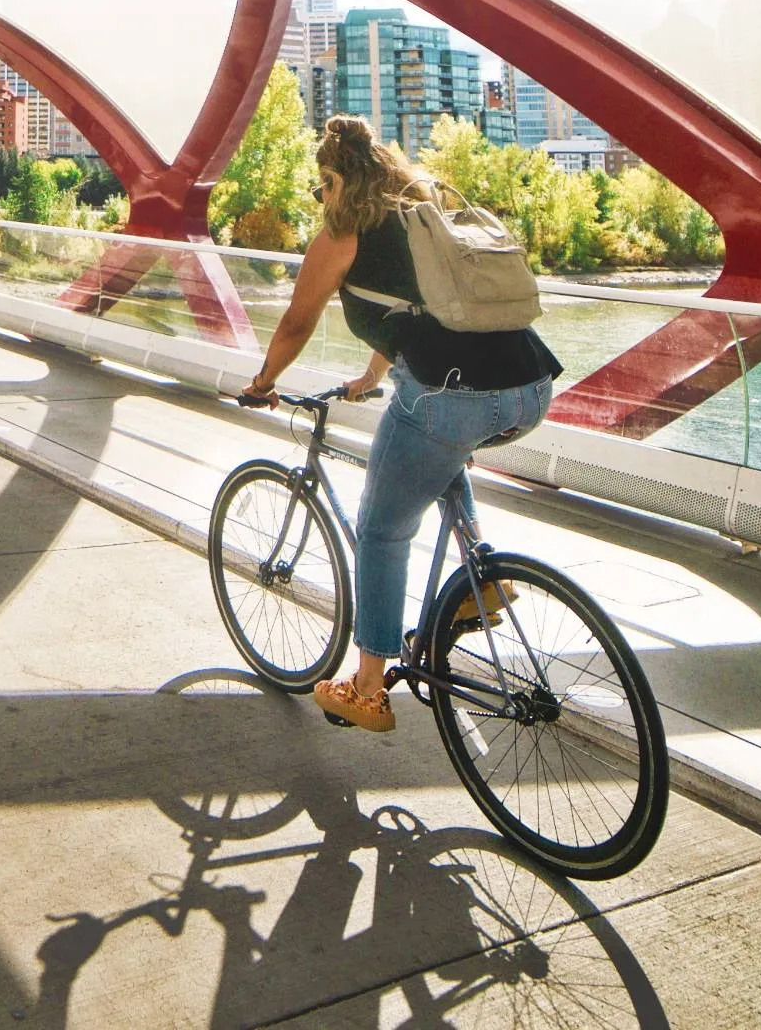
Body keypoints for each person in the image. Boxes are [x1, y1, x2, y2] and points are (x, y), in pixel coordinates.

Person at [239, 114, 562, 733]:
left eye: (319, 186)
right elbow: (420, 308)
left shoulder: (342, 234)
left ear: (334, 179)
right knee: (439, 456)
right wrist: (371, 374)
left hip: (452, 396)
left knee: (382, 531)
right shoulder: (423, 209)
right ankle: (482, 580)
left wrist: (263, 383)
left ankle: (366, 688)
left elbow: (296, 323)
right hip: (529, 387)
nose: (319, 199)